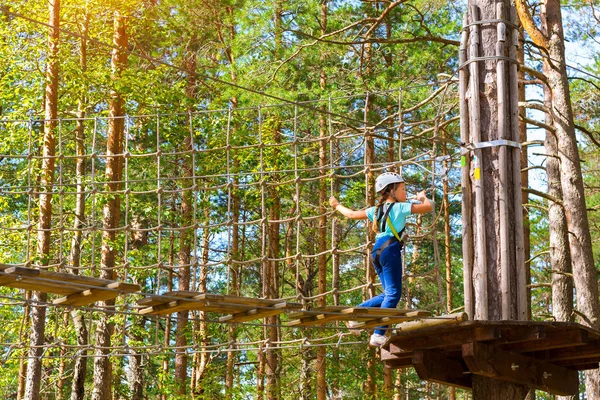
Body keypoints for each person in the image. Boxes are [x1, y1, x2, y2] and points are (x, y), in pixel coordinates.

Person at [329, 172, 433, 346]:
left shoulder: (375, 210)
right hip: (390, 250)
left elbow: (352, 214)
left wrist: (336, 205)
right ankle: (378, 334)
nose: (405, 193)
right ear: (391, 191)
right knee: (393, 294)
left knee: (387, 293)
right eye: (403, 189)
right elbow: (428, 207)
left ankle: (355, 317)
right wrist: (423, 197)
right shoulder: (400, 208)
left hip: (377, 250)